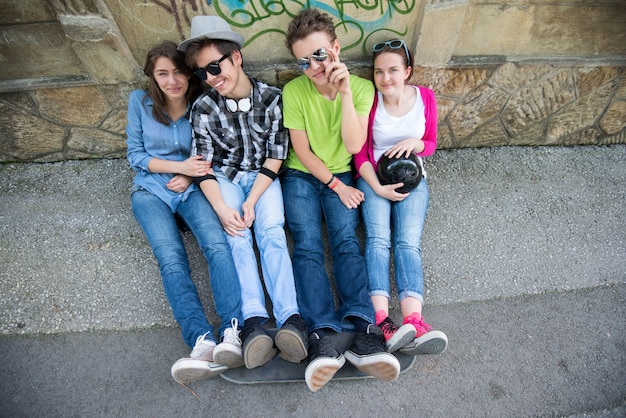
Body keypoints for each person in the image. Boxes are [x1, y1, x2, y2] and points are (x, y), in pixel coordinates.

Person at [177, 16, 308, 369]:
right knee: (236, 235)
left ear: (236, 57)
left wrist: (252, 200)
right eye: (202, 73)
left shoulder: (272, 99)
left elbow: (277, 155)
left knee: (271, 234)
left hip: (264, 179)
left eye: (215, 67)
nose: (211, 78)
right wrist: (221, 208)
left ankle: (290, 319)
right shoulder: (203, 108)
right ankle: (253, 320)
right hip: (226, 179)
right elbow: (202, 163)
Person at [281, 8, 401, 392]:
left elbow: (353, 145)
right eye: (304, 61)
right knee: (308, 247)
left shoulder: (363, 89)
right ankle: (321, 335)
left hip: (345, 172)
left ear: (335, 48)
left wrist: (345, 92)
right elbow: (302, 150)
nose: (313, 67)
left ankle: (364, 329)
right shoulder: (295, 91)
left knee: (347, 241)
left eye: (319, 55)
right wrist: (336, 186)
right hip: (305, 173)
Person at [126, 41, 246, 386]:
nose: (172, 80)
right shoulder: (140, 102)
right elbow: (136, 155)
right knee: (172, 260)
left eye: (178, 71)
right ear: (153, 76)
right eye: (162, 73)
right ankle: (201, 340)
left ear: (188, 73)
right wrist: (180, 166)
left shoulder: (202, 102)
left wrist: (190, 174)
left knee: (218, 245)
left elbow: (213, 148)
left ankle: (230, 333)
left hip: (193, 188)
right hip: (151, 190)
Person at [354, 38, 448, 356]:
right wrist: (377, 189)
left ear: (407, 71)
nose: (386, 79)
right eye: (379, 72)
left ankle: (415, 322)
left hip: (412, 179)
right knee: (379, 240)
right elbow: (360, 155)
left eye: (393, 70)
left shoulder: (425, 98)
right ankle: (382, 321)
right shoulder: (371, 102)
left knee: (407, 243)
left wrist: (415, 142)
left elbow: (431, 142)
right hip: (375, 180)